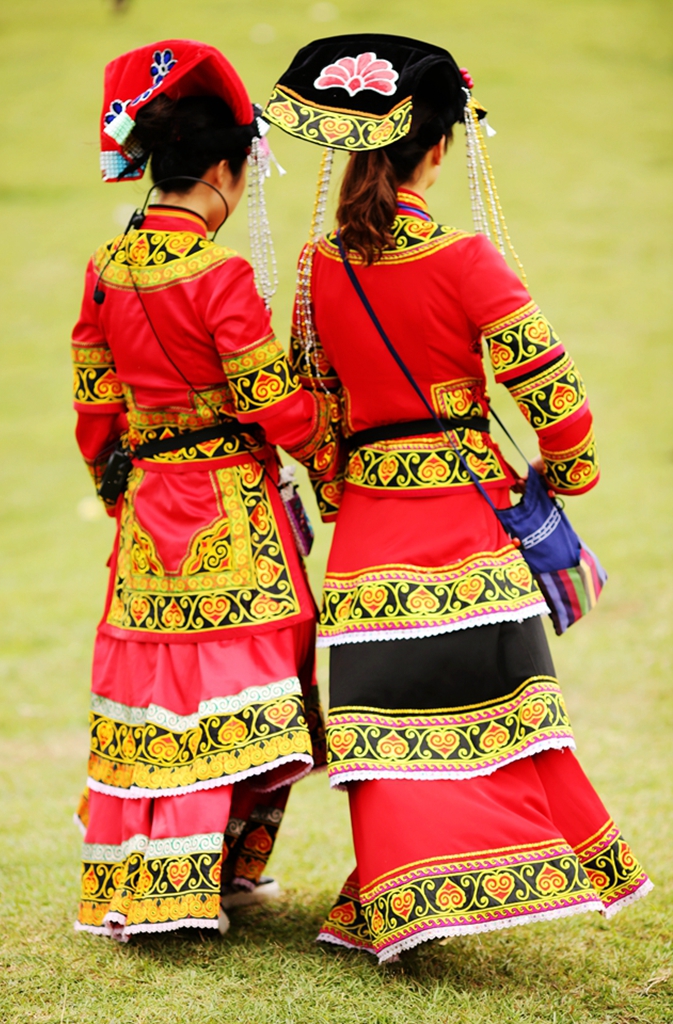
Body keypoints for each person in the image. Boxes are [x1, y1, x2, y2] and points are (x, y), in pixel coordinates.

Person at [264, 34, 652, 962]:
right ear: (437, 147)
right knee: (503, 721)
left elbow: (309, 404)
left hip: (365, 542)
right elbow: (553, 392)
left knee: (387, 740)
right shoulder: (467, 259)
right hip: (467, 536)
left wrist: (337, 483)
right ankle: (517, 868)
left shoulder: (322, 266)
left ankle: (397, 895)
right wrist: (566, 476)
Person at [71, 40, 339, 940]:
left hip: (151, 510)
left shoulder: (104, 270)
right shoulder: (220, 275)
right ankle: (220, 871)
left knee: (160, 686)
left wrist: (123, 495)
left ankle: (150, 884)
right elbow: (273, 403)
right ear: (220, 170)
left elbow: (93, 407)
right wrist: (334, 458)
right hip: (232, 507)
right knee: (245, 677)